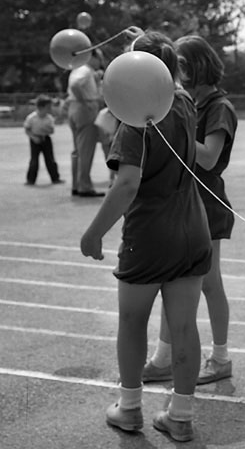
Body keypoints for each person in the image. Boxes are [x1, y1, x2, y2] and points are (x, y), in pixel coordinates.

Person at [80, 32, 212, 442]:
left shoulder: (135, 120)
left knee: (132, 321)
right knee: (185, 326)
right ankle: (180, 415)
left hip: (150, 235)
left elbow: (126, 184)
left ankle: (130, 406)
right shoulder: (185, 103)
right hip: (193, 227)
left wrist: (93, 233)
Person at [143, 35, 238, 386]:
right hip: (181, 202)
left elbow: (210, 158)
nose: (175, 70)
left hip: (207, 206)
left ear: (196, 65)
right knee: (173, 282)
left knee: (210, 284)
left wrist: (177, 130)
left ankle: (221, 357)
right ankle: (163, 358)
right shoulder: (184, 102)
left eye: (180, 64)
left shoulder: (218, 106)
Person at [67, 49, 105, 197]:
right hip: (85, 109)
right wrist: (85, 102)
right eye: (99, 59)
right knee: (85, 150)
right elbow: (76, 85)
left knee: (77, 150)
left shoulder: (77, 69)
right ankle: (85, 186)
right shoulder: (86, 70)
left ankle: (76, 184)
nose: (100, 63)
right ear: (92, 57)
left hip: (74, 107)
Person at [23, 94, 63, 185]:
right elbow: (27, 129)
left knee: (50, 159)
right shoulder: (32, 118)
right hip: (35, 139)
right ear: (41, 107)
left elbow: (52, 130)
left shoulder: (49, 118)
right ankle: (31, 180)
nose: (49, 109)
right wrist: (33, 137)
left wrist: (47, 130)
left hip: (46, 139)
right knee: (34, 161)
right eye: (48, 107)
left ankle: (55, 178)